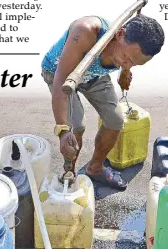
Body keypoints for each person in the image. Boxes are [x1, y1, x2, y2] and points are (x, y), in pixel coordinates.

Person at [42, 14, 165, 190]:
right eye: (126, 58)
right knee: (75, 126)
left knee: (115, 120)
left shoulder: (125, 53)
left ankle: (95, 168)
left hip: (94, 74)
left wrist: (124, 73)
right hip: (59, 73)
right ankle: (69, 174)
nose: (127, 64)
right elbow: (61, 81)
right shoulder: (85, 32)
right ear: (120, 34)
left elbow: (127, 62)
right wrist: (62, 130)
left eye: (135, 64)